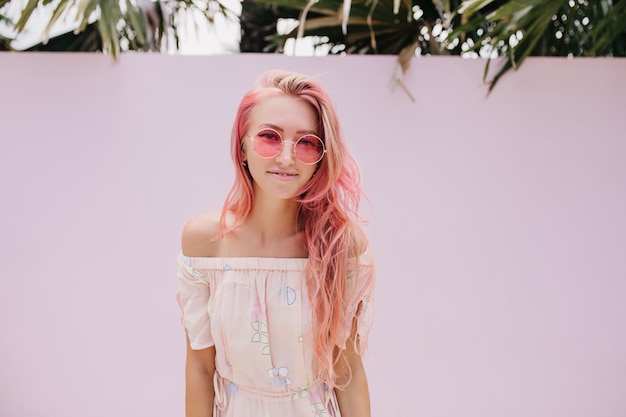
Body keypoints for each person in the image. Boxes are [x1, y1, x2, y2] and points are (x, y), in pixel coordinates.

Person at [176, 69, 376, 417]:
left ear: (321, 156)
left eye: (306, 142)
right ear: (242, 146)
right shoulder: (204, 243)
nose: (287, 157)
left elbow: (348, 370)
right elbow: (200, 367)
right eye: (269, 137)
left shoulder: (341, 245)